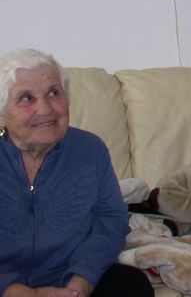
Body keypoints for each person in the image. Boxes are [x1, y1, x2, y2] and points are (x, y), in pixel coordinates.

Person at [0, 48, 153, 297]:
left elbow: (110, 219)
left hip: (69, 278)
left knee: (130, 284)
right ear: (2, 116)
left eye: (54, 93)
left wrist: (82, 280)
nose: (45, 108)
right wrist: (11, 290)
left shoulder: (89, 150)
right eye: (26, 98)